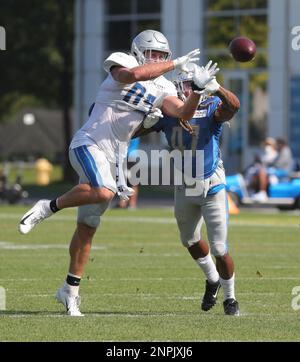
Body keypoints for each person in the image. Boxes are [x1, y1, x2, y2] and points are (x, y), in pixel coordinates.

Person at [18, 29, 218, 316]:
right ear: (138, 51)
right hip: (88, 142)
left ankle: (69, 291)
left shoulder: (163, 87)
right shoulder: (122, 60)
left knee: (87, 227)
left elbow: (183, 113)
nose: (156, 59)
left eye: (161, 55)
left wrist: (197, 91)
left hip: (113, 158)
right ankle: (46, 207)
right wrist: (174, 65)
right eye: (152, 53)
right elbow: (132, 77)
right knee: (104, 191)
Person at [133, 62, 241, 315]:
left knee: (220, 248)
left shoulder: (211, 107)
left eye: (191, 83)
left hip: (212, 184)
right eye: (184, 83)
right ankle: (212, 279)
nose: (187, 88)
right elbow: (131, 133)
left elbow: (233, 106)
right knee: (189, 240)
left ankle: (230, 298)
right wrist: (146, 120)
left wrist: (217, 89)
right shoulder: (169, 111)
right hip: (184, 185)